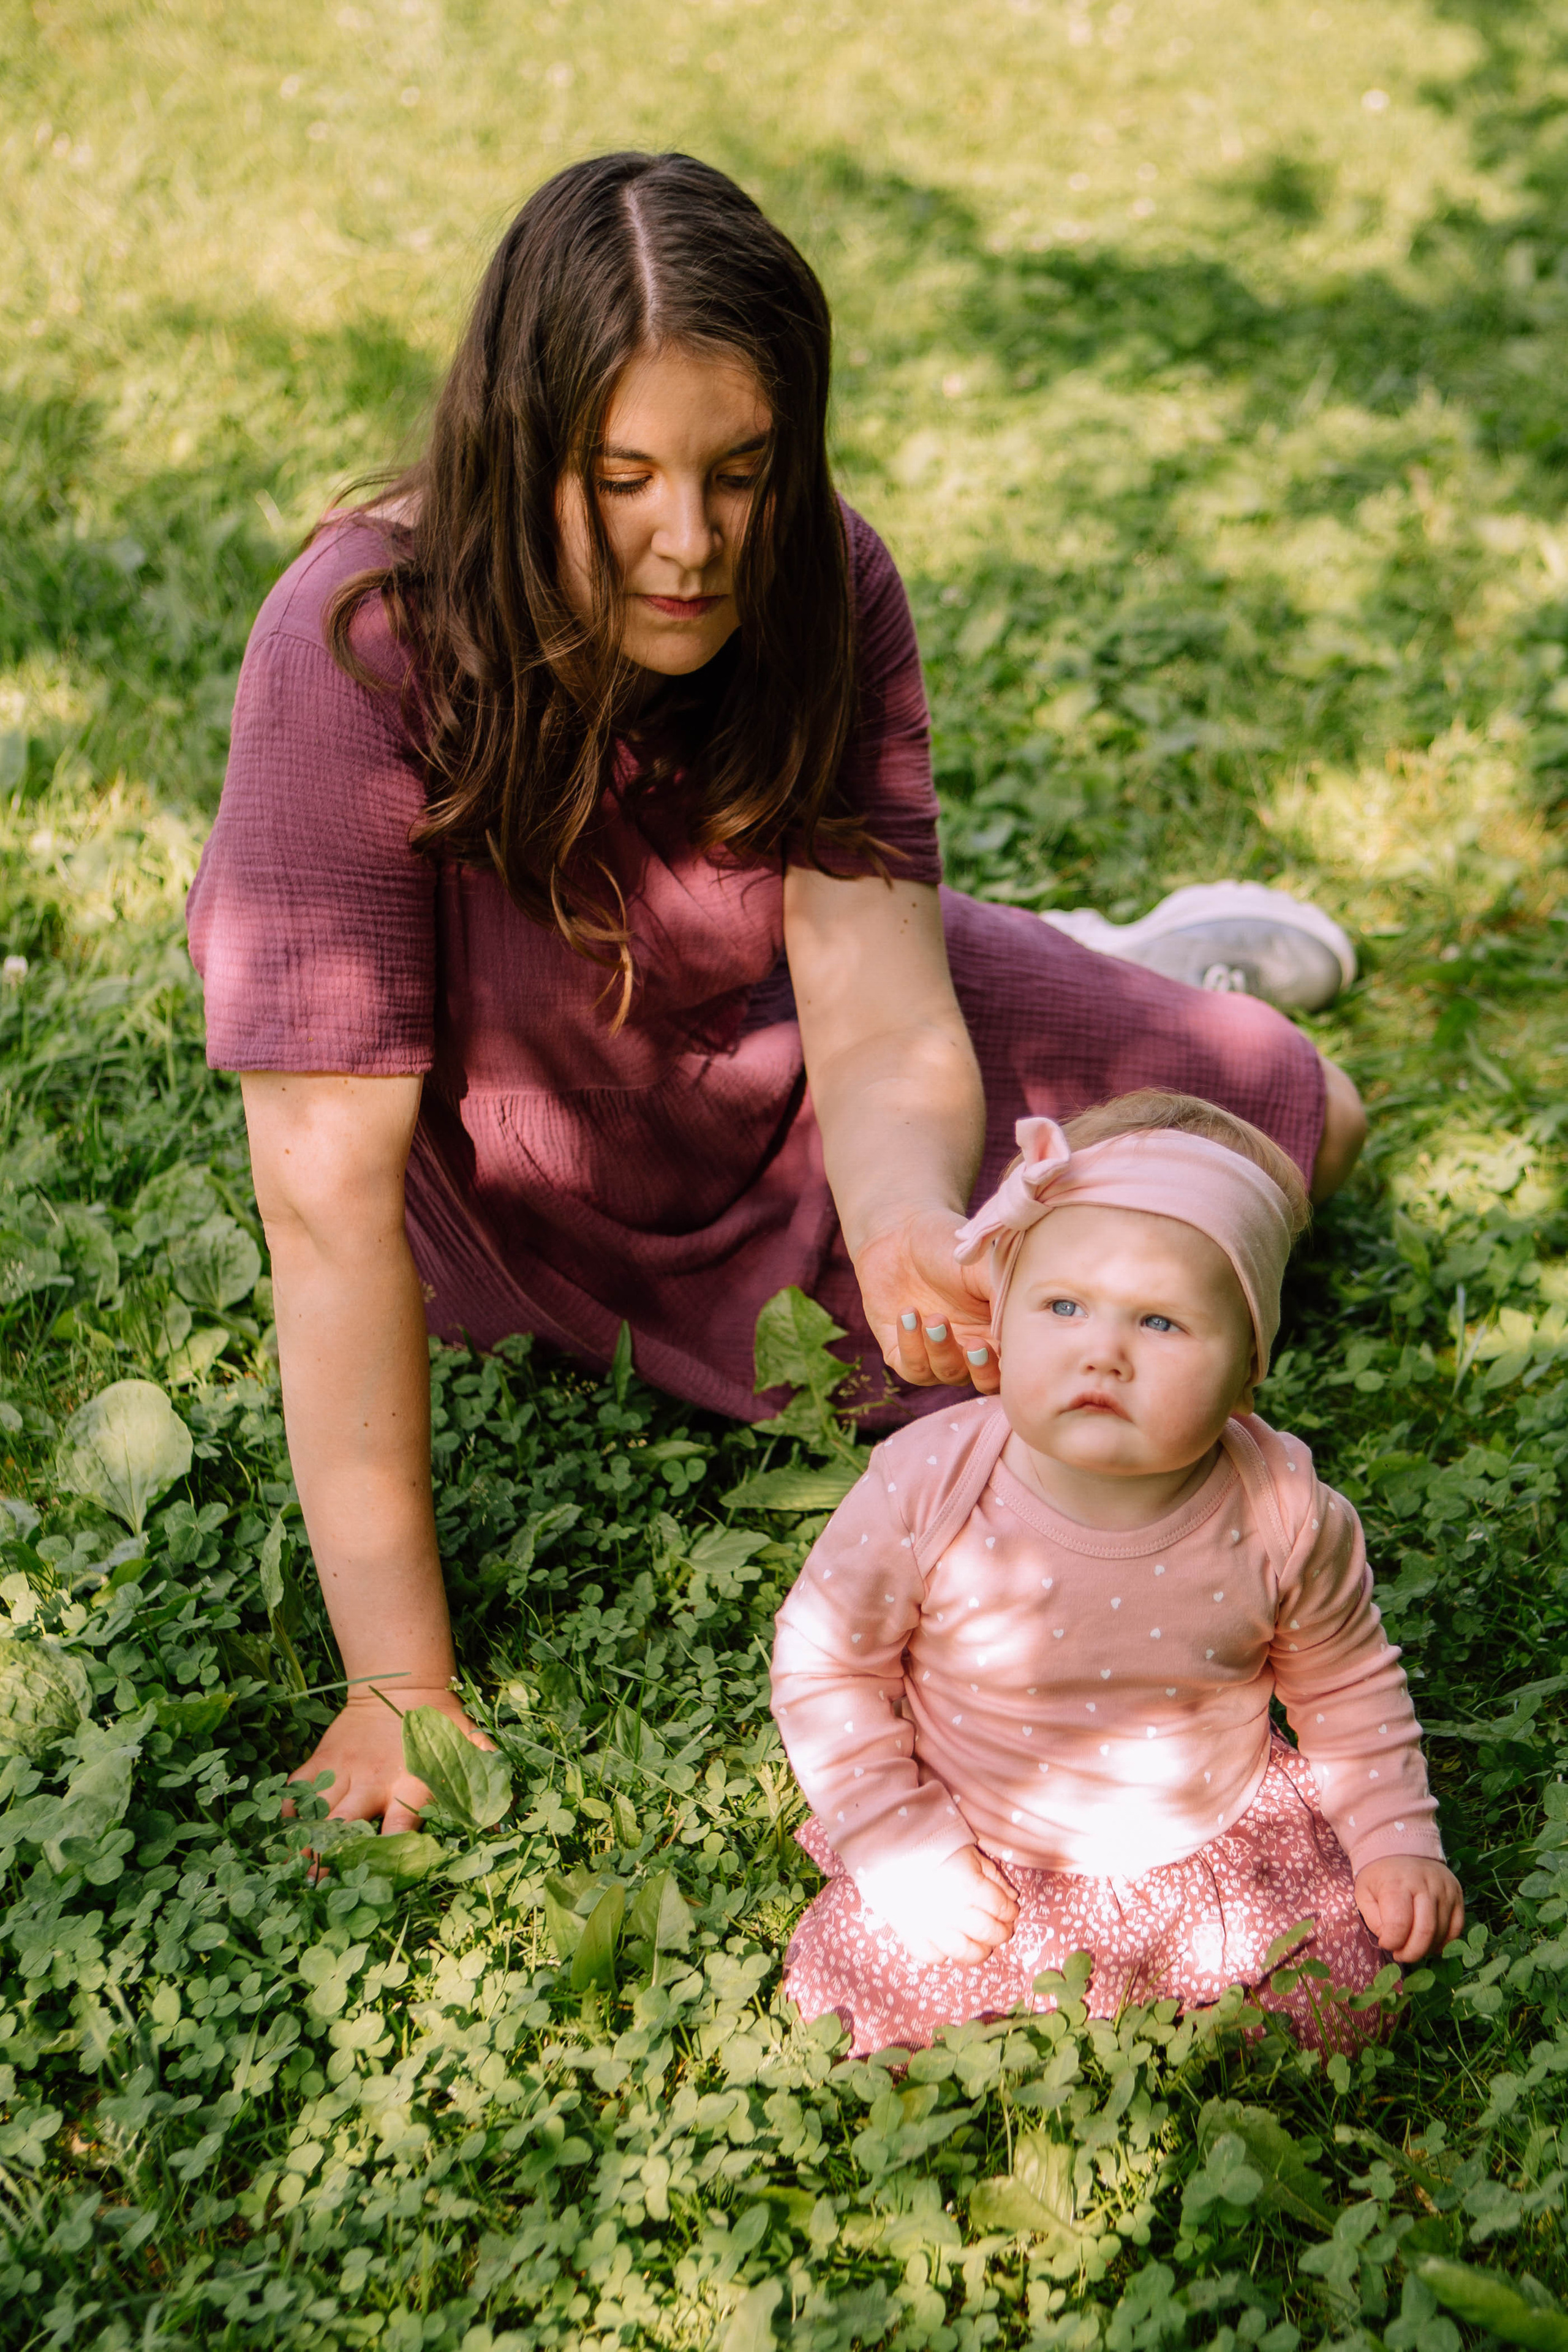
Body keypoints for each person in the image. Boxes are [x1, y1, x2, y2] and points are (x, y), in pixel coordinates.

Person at [186, 151, 1367, 1833]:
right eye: (624, 478)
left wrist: (902, 1221)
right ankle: (1064, 962)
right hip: (538, 1169)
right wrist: (400, 1688)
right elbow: (323, 1210)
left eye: (741, 473)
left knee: (1281, 1136)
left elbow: (882, 1023)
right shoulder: (358, 645)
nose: (691, 542)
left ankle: (1106, 962)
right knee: (1041, 1324)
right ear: (526, 449)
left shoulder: (826, 575)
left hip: (795, 1055)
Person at [771, 1092, 1462, 2056]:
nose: (1104, 1349)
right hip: (981, 1834)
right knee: (870, 2004)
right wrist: (904, 1845)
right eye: (1063, 1305)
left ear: (1248, 1369)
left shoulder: (1283, 1512)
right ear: (1001, 1320)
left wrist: (1394, 1837)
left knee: (1344, 2001)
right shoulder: (930, 1485)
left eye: (1162, 1322)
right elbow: (827, 1664)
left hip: (1207, 1837)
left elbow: (1346, 1683)